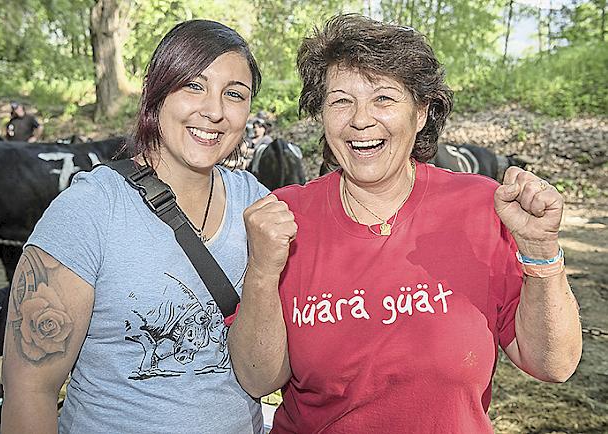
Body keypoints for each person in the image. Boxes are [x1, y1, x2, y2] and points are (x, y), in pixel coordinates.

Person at [228, 14, 582, 433]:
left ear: (421, 112)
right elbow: (258, 377)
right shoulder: (286, 217)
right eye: (341, 100)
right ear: (321, 115)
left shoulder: (480, 207)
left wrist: (541, 251)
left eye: (383, 98)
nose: (361, 120)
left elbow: (553, 364)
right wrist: (264, 273)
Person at [1, 20, 267, 434]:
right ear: (158, 92)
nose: (214, 111)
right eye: (193, 85)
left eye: (234, 94)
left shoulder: (256, 203)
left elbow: (266, 377)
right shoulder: (88, 211)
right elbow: (29, 393)